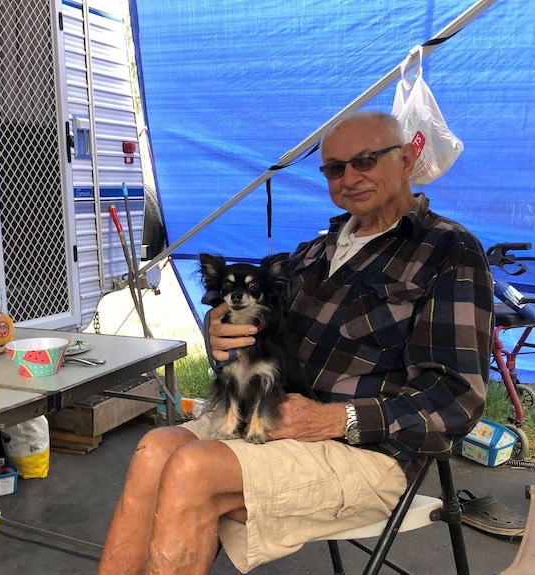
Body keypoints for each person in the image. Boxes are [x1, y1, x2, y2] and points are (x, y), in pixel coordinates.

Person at [96, 111, 493, 575]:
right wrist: (221, 329)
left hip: (367, 449)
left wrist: (333, 418)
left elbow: (457, 398)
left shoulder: (447, 249)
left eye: (365, 160)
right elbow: (257, 333)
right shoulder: (311, 252)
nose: (350, 177)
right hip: (269, 417)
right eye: (335, 168)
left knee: (192, 470)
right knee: (154, 449)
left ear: (405, 159)